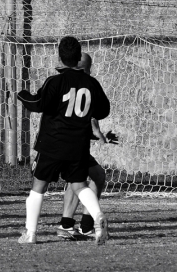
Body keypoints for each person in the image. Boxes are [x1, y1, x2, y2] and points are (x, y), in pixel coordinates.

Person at [16, 37, 111, 245]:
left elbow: (38, 103)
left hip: (52, 143)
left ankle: (30, 234)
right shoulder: (92, 84)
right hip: (78, 145)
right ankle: (97, 217)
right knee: (79, 185)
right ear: (79, 58)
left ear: (60, 57)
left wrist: (21, 95)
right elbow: (104, 110)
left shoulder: (55, 81)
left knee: (38, 187)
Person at [56, 53, 119, 240]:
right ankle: (69, 225)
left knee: (93, 176)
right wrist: (97, 132)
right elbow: (82, 118)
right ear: (83, 68)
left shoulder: (71, 85)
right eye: (89, 68)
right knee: (79, 180)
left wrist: (101, 134)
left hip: (69, 142)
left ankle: (79, 225)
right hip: (68, 144)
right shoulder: (84, 86)